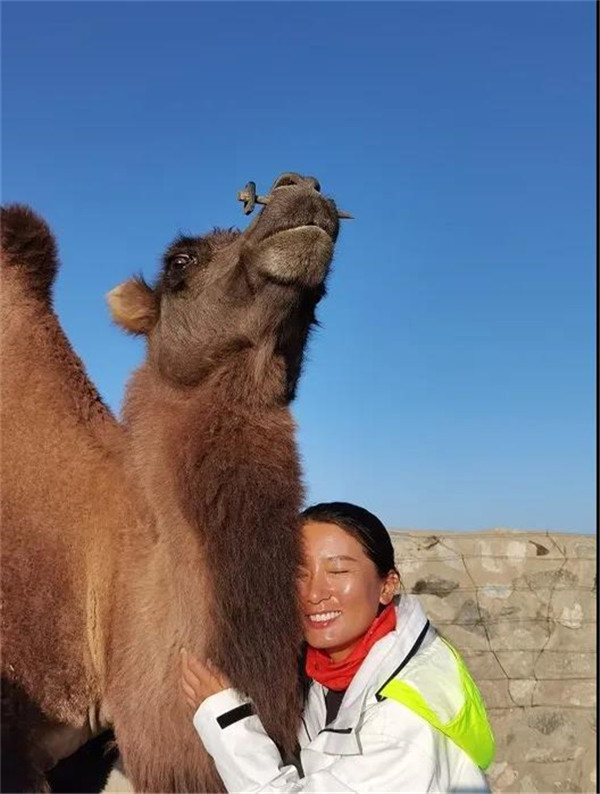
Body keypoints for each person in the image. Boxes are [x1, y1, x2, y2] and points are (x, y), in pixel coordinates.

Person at [181, 502, 494, 793]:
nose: (314, 593)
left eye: (338, 571)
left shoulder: (401, 724)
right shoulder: (330, 669)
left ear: (387, 585)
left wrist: (225, 719)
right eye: (300, 573)